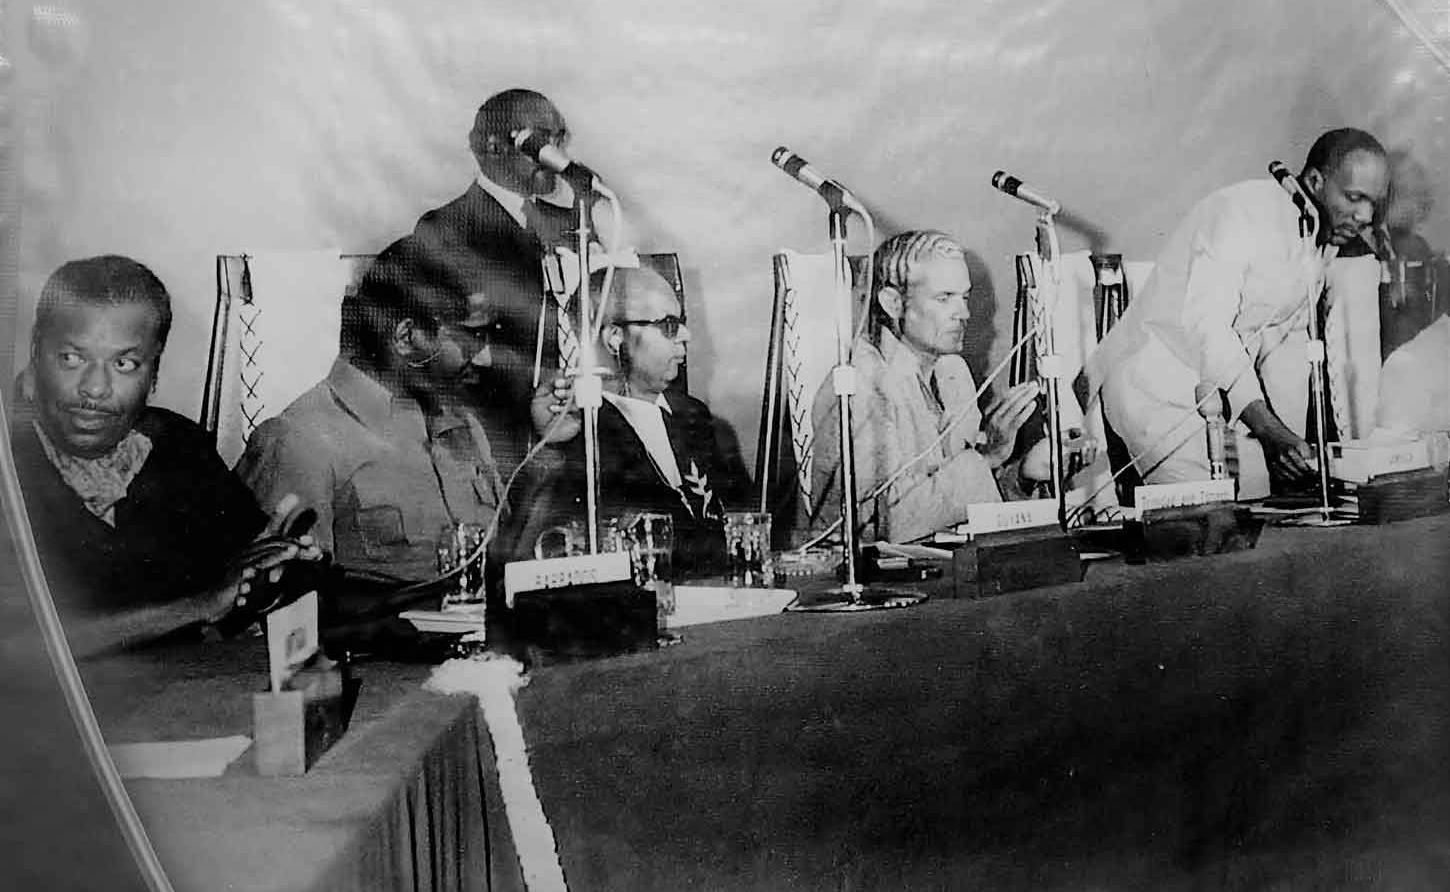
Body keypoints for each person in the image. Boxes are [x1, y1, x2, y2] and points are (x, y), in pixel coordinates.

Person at [9, 255, 318, 657]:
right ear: (36, 352)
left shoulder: (177, 446)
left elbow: (240, 583)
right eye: (72, 358)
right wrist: (197, 607)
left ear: (154, 375)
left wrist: (269, 573)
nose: (95, 388)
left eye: (124, 363)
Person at [1087, 128, 1390, 498]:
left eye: (1373, 203)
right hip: (1159, 391)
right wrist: (1268, 430)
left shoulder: (1316, 240)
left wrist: (1290, 446)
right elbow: (1208, 327)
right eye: (1354, 197)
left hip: (1223, 400)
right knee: (1211, 516)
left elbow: (1286, 345)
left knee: (1265, 503)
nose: (1365, 215)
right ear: (1315, 181)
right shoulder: (1239, 213)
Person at [236, 236, 513, 584]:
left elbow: (511, 561)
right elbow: (276, 603)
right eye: (471, 339)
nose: (485, 359)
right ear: (406, 337)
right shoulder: (299, 442)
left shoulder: (462, 424)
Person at [808, 231, 1058, 544]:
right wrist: (987, 457)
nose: (964, 313)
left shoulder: (953, 374)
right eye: (944, 298)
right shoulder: (860, 385)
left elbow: (955, 502)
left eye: (964, 297)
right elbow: (878, 526)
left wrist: (1023, 475)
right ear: (893, 303)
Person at [412, 87, 613, 476]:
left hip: (583, 422)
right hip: (505, 435)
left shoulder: (574, 222)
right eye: (541, 140)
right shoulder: (447, 227)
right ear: (494, 146)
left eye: (559, 139)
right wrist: (538, 403)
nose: (556, 153)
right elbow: (455, 348)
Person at [531, 265, 753, 572]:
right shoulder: (576, 430)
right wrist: (552, 448)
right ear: (615, 337)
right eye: (668, 325)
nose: (686, 335)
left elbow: (747, 521)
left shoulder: (695, 416)